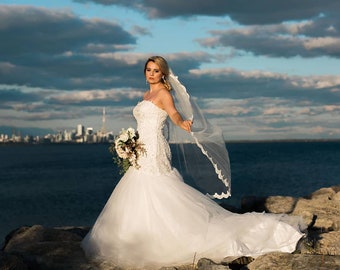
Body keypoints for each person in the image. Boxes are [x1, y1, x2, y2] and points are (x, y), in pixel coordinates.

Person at [81, 56, 305, 269]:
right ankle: (138, 235)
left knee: (156, 186)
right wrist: (130, 145)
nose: (151, 74)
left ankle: (164, 237)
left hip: (156, 149)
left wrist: (183, 123)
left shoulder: (164, 94)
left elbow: (174, 115)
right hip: (140, 149)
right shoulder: (145, 94)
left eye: (156, 71)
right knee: (139, 187)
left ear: (163, 73)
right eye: (148, 70)